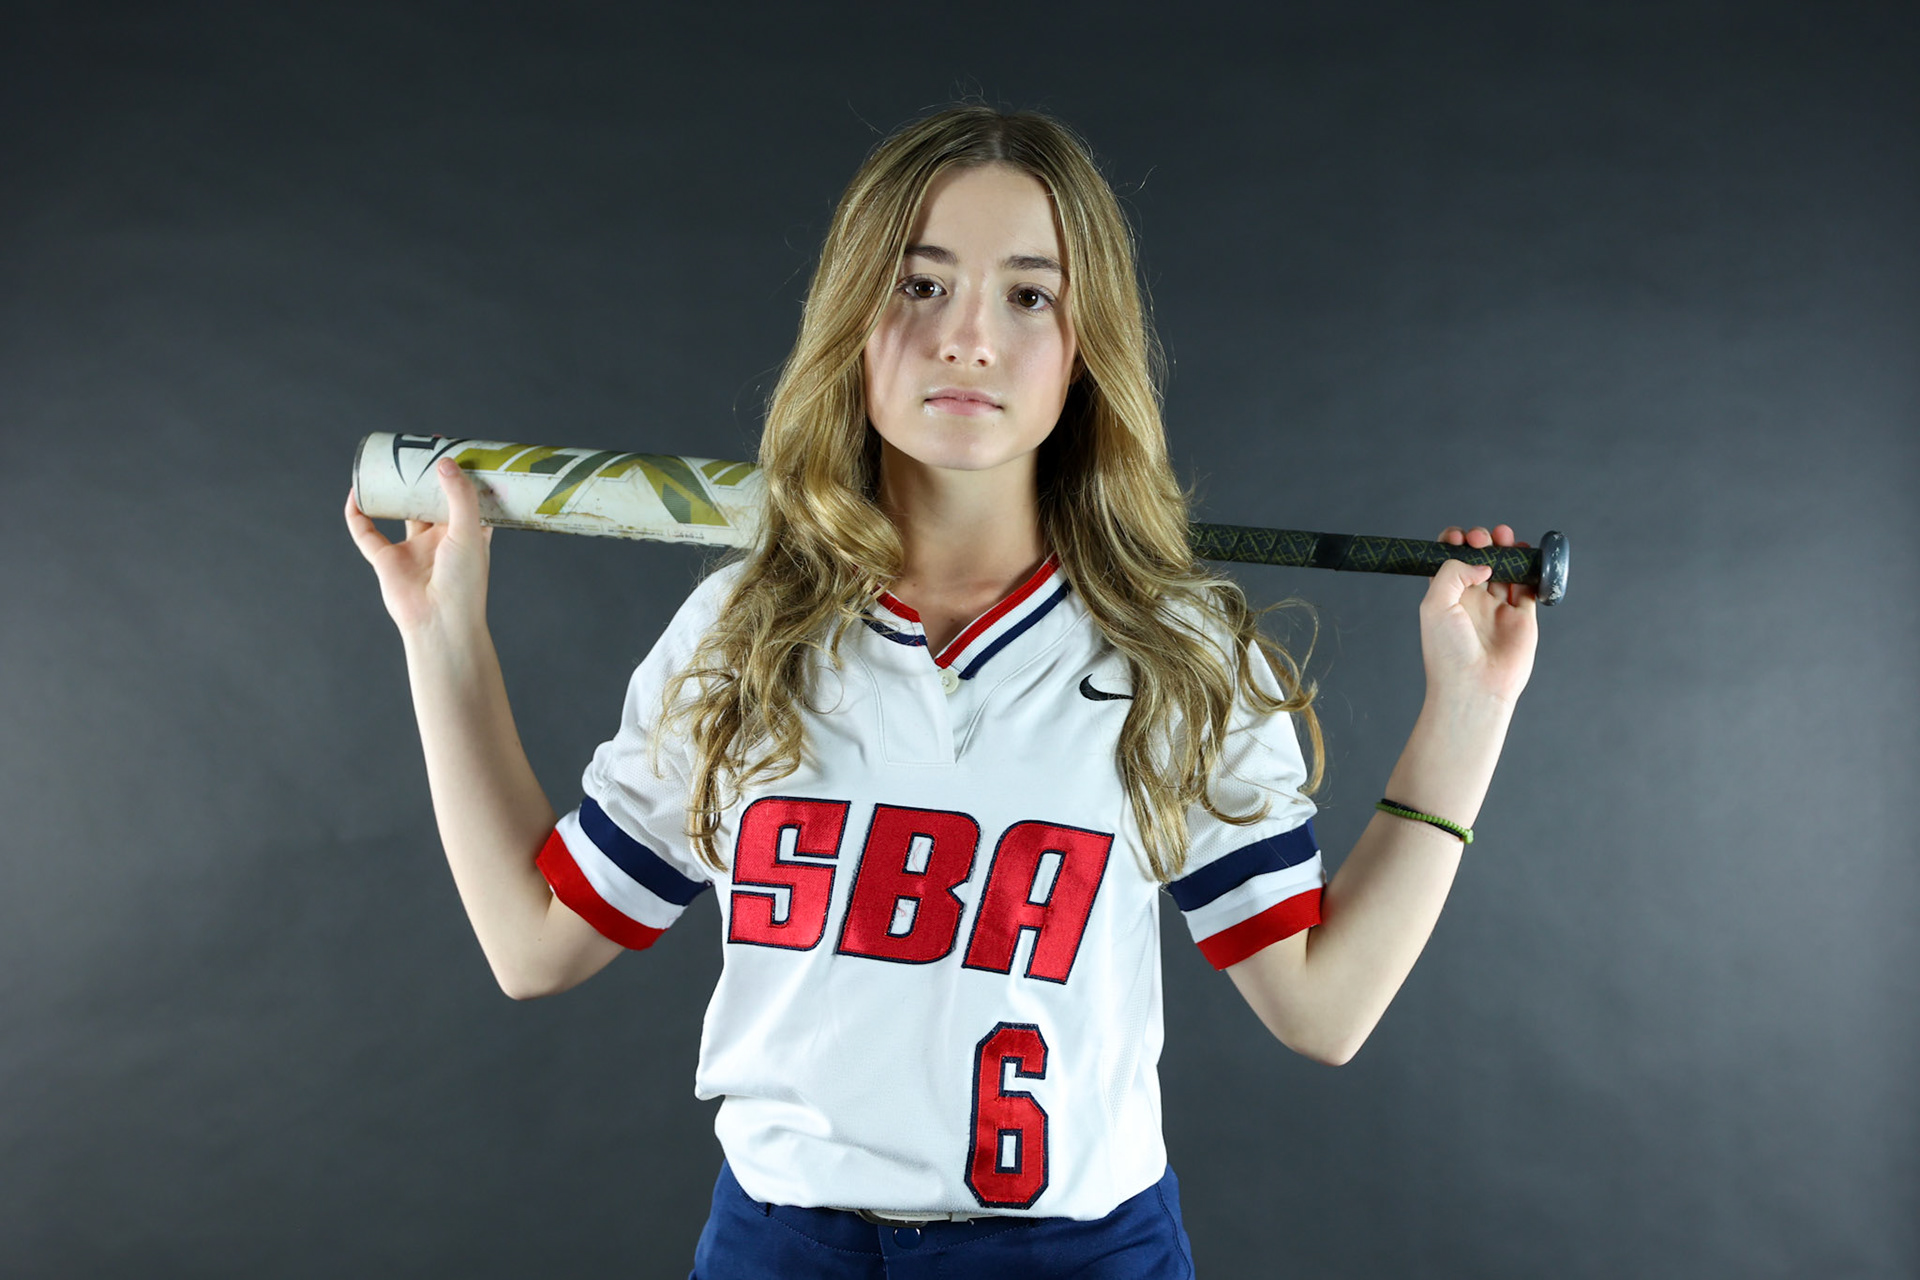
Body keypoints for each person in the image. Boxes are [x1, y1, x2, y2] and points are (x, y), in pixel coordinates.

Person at [344, 104, 1538, 1279]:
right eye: (919, 285)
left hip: (1077, 1253)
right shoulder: (743, 628)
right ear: (852, 322)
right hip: (781, 1244)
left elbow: (1321, 1009)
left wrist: (1469, 711)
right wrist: (438, 631)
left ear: (1086, 348)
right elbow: (533, 941)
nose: (969, 336)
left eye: (1028, 294)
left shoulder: (1181, 653)